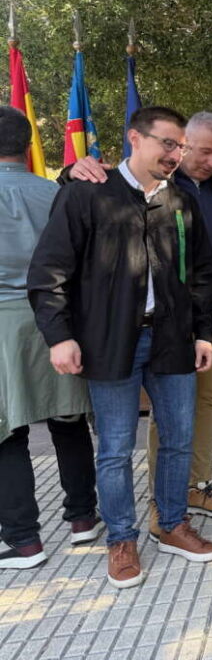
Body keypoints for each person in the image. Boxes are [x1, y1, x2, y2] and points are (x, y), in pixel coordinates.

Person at [28, 106, 212, 589]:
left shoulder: (181, 202)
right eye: (168, 143)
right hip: (111, 342)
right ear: (135, 137)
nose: (176, 154)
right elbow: (49, 273)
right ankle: (121, 538)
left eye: (181, 146)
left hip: (173, 340)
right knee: (115, 447)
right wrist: (61, 336)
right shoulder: (86, 195)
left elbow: (202, 273)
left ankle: (172, 524)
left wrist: (202, 332)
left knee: (178, 437)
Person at [69, 111, 212, 534]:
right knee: (133, 434)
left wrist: (204, 330)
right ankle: (138, 522)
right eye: (196, 150)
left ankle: (183, 504)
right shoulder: (117, 189)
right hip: (133, 330)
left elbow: (206, 265)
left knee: (190, 420)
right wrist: (69, 169)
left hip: (195, 321)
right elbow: (59, 262)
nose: (206, 160)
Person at [0, 106, 98, 570]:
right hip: (57, 321)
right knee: (68, 421)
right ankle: (83, 519)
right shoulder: (56, 194)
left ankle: (23, 540)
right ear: (26, 146)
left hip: (3, 328)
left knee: (7, 435)